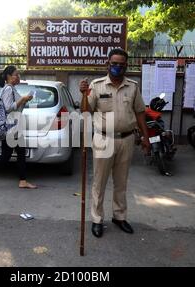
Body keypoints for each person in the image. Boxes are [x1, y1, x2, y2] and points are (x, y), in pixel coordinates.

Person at [79, 48, 150, 238]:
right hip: (103, 138)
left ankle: (119, 217)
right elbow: (86, 111)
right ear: (107, 64)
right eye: (114, 63)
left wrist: (146, 138)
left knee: (121, 182)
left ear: (126, 65)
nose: (117, 67)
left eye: (121, 64)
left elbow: (140, 113)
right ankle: (97, 219)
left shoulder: (133, 87)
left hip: (127, 139)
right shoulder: (97, 85)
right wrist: (83, 94)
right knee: (99, 182)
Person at [0, 65, 37, 189]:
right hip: (11, 127)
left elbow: (15, 106)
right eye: (16, 74)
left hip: (13, 127)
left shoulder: (11, 89)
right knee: (6, 156)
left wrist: (24, 100)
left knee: (17, 153)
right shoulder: (8, 89)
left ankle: (22, 180)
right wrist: (23, 99)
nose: (18, 76)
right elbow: (9, 107)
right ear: (9, 77)